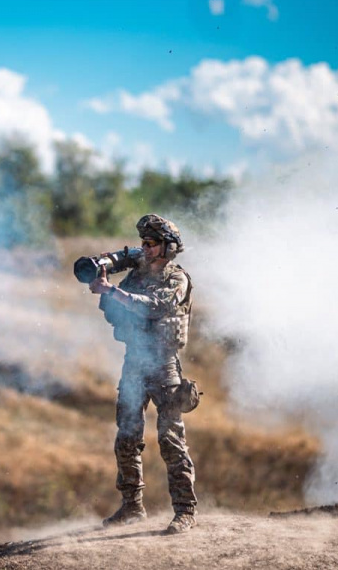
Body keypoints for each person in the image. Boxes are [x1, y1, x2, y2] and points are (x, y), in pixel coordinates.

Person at [88, 214, 198, 535]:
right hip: (134, 362)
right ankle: (132, 507)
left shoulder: (178, 279)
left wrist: (115, 293)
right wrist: (107, 294)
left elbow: (155, 306)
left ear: (168, 247)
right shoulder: (135, 276)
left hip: (164, 365)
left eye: (151, 244)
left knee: (170, 439)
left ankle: (185, 511)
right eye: (143, 244)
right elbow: (115, 312)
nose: (144, 249)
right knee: (127, 437)